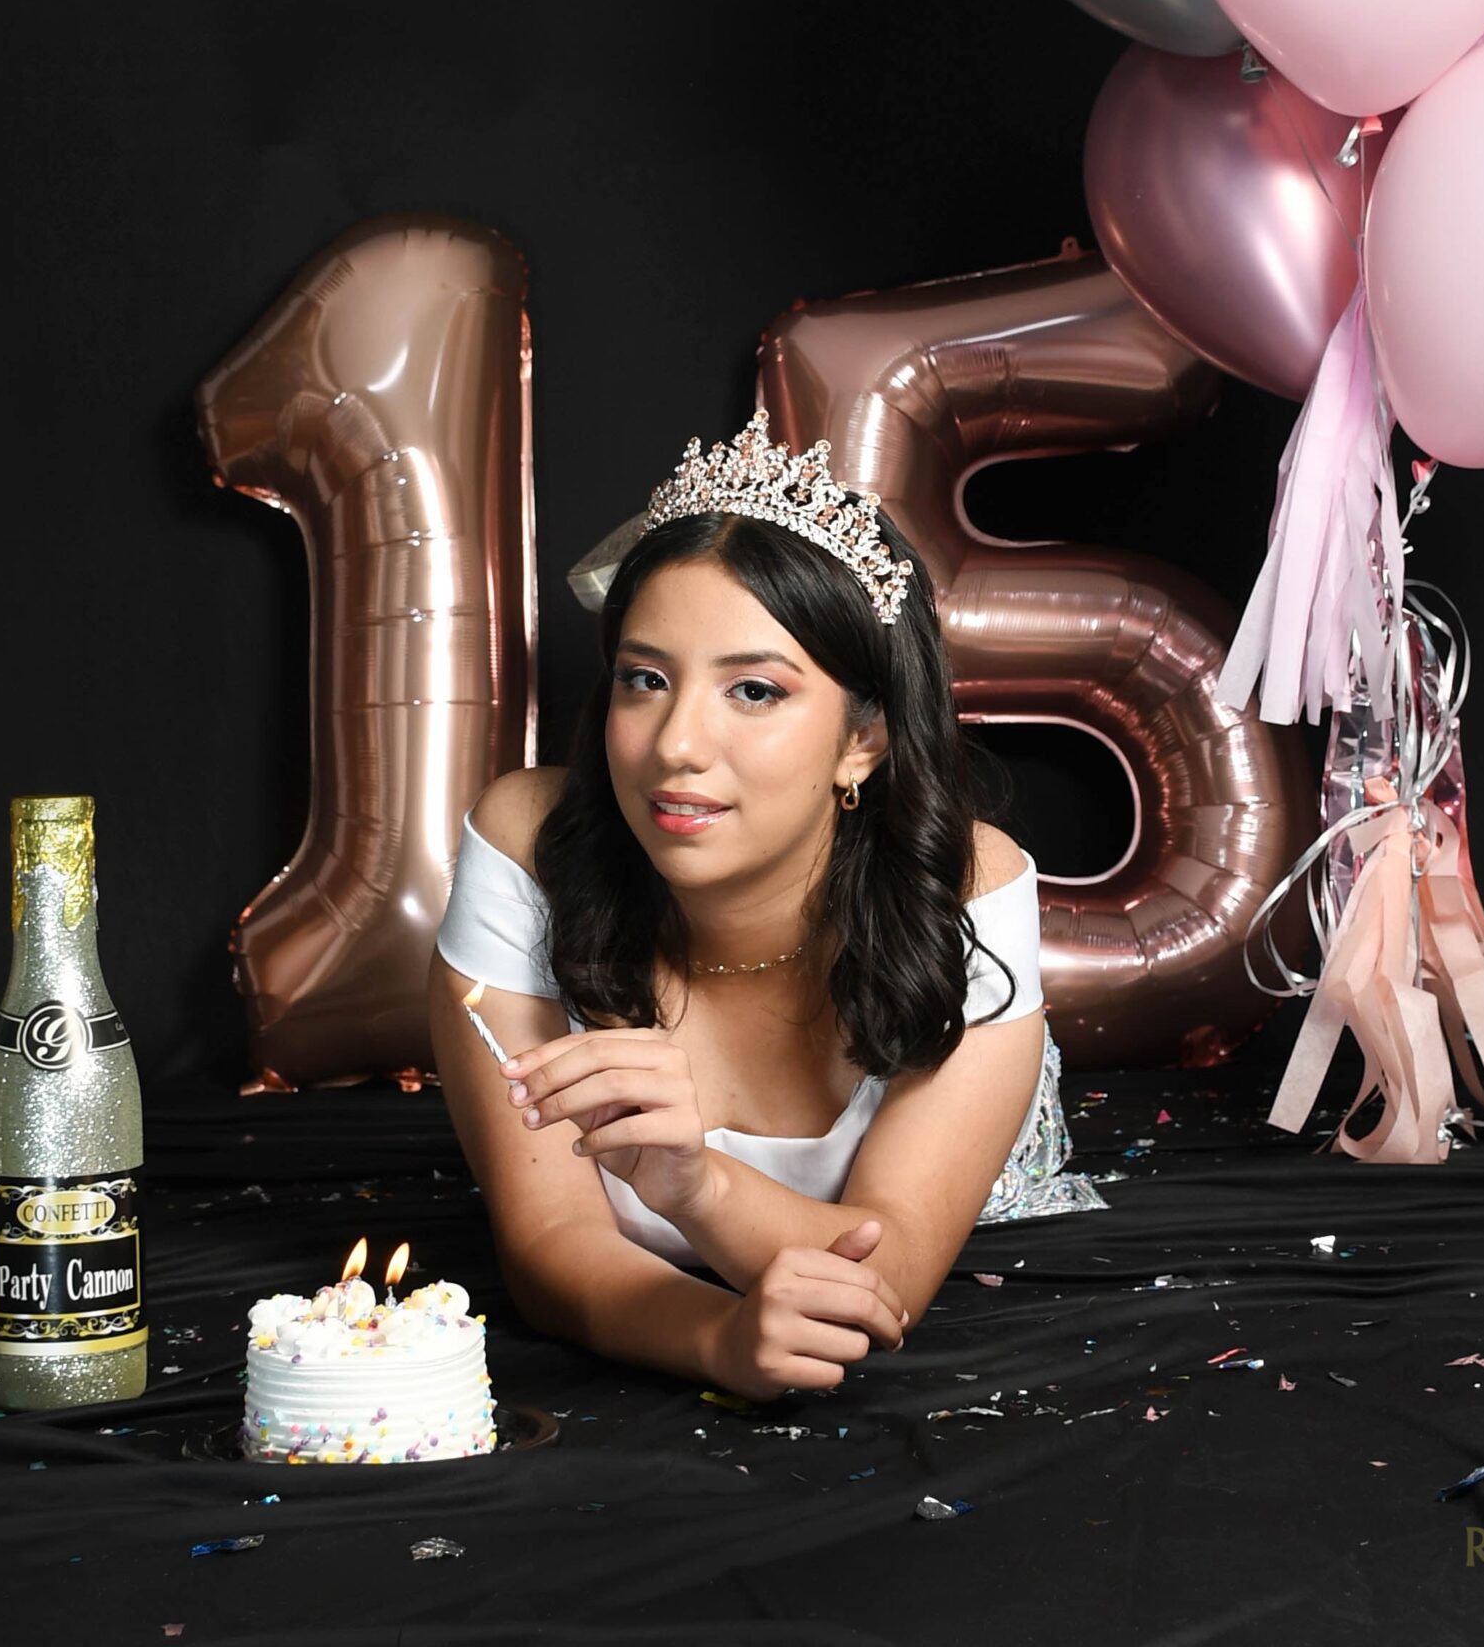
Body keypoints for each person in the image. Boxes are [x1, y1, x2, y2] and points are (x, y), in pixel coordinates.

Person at [428, 408, 1103, 1401]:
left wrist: (695, 1185)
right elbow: (551, 1241)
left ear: (862, 740)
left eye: (753, 691)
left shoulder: (965, 886)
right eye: (644, 679)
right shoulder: (530, 844)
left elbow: (886, 1274)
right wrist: (717, 1339)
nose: (675, 745)